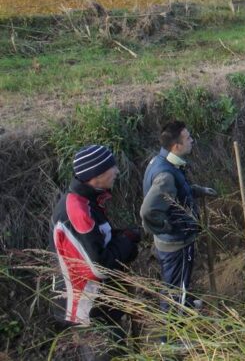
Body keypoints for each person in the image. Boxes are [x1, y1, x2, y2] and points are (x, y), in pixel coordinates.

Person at [51, 145, 141, 350]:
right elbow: (98, 267)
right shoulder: (77, 209)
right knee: (107, 352)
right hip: (88, 310)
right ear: (96, 174)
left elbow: (96, 243)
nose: (117, 171)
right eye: (112, 167)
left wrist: (122, 237)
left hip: (100, 305)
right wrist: (126, 241)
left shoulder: (87, 201)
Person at [140, 121, 216, 314]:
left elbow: (174, 194)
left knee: (178, 282)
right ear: (177, 146)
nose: (192, 140)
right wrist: (166, 227)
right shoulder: (165, 174)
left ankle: (186, 305)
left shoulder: (162, 161)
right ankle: (171, 339)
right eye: (188, 138)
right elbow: (147, 212)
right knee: (175, 290)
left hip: (172, 239)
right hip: (176, 242)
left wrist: (196, 191)